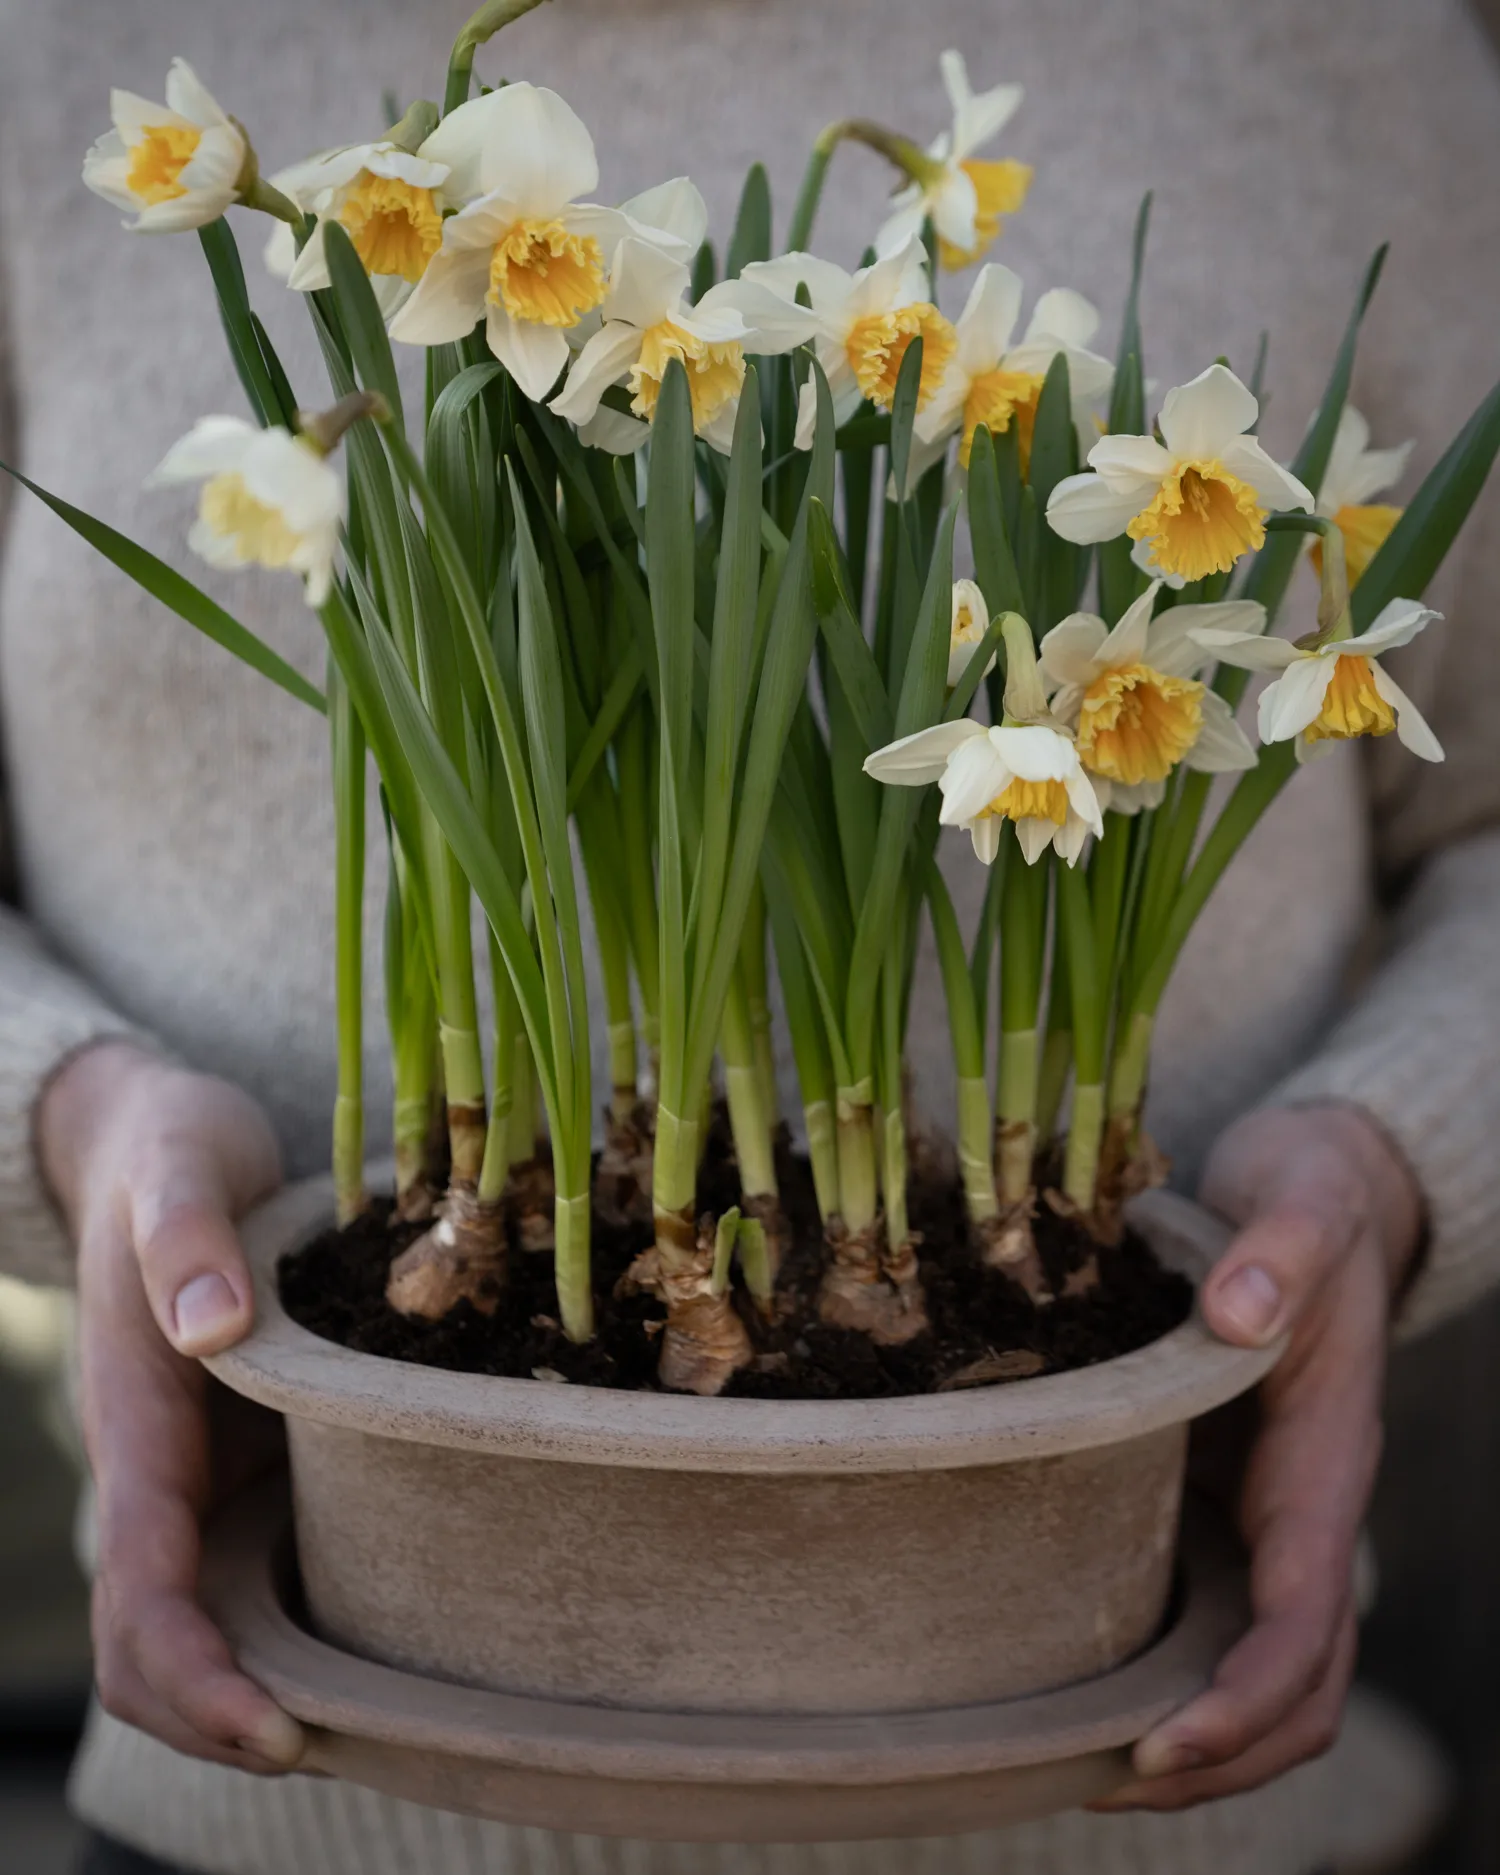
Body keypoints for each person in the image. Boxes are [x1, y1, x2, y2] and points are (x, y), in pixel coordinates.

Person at [3, 0, 1499, 1870]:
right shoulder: (53, 40)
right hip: (265, 1751)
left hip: (1167, 1751)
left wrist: (1391, 1153)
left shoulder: (1346, 49)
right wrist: (73, 1111)